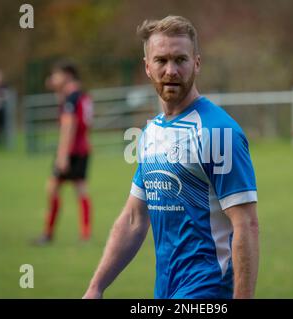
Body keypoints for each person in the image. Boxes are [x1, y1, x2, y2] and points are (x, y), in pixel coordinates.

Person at [83, 16, 259, 299]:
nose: (171, 70)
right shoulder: (151, 132)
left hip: (208, 290)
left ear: (197, 63)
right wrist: (96, 287)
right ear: (147, 67)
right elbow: (133, 219)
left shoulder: (218, 131)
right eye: (161, 60)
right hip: (166, 290)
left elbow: (246, 224)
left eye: (180, 60)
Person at [33, 61, 93, 245]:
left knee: (52, 188)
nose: (53, 79)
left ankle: (48, 234)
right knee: (81, 189)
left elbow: (68, 125)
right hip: (83, 149)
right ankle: (85, 235)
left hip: (71, 150)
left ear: (67, 76)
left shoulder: (71, 99)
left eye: (56, 75)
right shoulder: (81, 96)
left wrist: (62, 155)